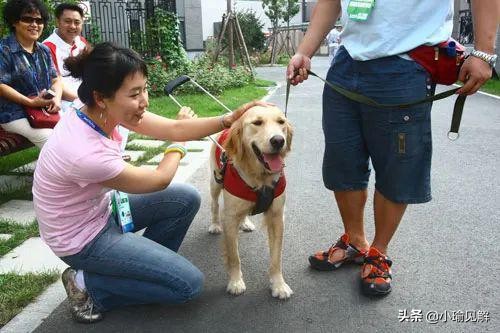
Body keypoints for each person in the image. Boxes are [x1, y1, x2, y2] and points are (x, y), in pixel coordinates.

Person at [32, 42, 266, 323]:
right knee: (186, 286)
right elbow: (159, 179)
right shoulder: (84, 151)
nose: (145, 100)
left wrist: (227, 119)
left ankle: (144, 269)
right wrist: (177, 146)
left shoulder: (101, 111)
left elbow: (174, 127)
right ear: (102, 96)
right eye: (135, 93)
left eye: (144, 88)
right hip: (81, 241)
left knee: (185, 198)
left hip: (100, 213)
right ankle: (88, 284)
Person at [287, 0, 498, 296]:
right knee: (342, 160)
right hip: (347, 62)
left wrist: (484, 52)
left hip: (406, 63)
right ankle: (355, 242)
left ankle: (378, 252)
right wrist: (303, 51)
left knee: (398, 166)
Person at [0, 0, 62, 147]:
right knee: (52, 141)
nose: (34, 24)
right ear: (14, 22)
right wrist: (30, 102)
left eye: (39, 20)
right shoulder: (4, 50)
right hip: (14, 114)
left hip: (42, 110)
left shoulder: (43, 50)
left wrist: (57, 99)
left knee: (73, 129)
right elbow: (1, 85)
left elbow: (56, 79)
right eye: (28, 19)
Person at [43, 2, 88, 114]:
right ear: (57, 22)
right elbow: (54, 84)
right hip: (65, 102)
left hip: (86, 95)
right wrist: (84, 100)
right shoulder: (47, 48)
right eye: (67, 21)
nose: (73, 26)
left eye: (77, 22)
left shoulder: (81, 42)